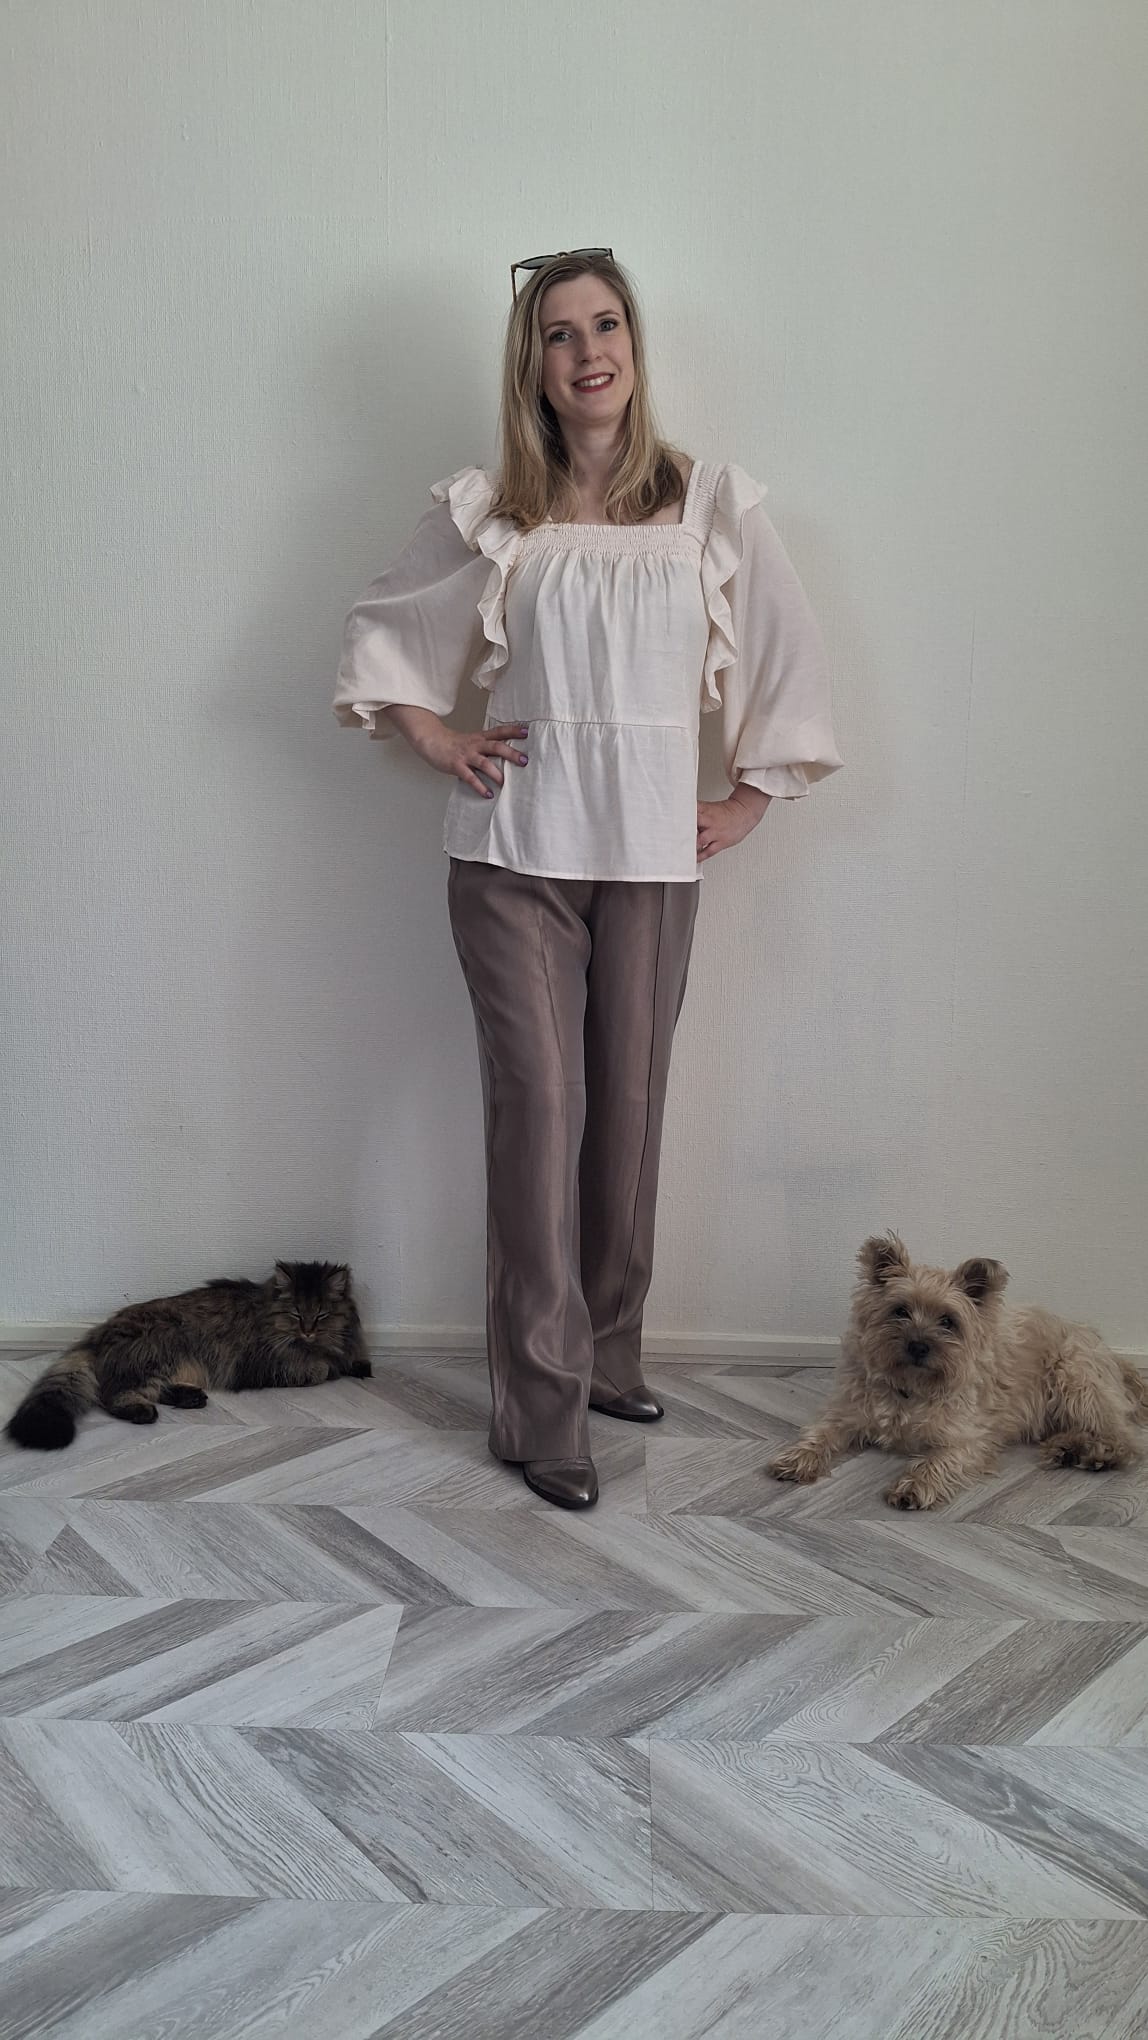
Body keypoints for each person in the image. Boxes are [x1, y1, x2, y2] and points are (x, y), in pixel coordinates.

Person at [333, 249, 842, 1510]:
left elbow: (786, 652)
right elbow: (383, 630)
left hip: (652, 857)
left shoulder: (708, 503)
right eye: (558, 334)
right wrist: (437, 739)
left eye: (603, 324)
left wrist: (747, 800)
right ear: (533, 364)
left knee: (627, 1112)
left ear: (632, 343)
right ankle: (540, 1408)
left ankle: (608, 1353)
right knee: (541, 1112)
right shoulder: (492, 511)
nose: (586, 351)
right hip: (511, 855)